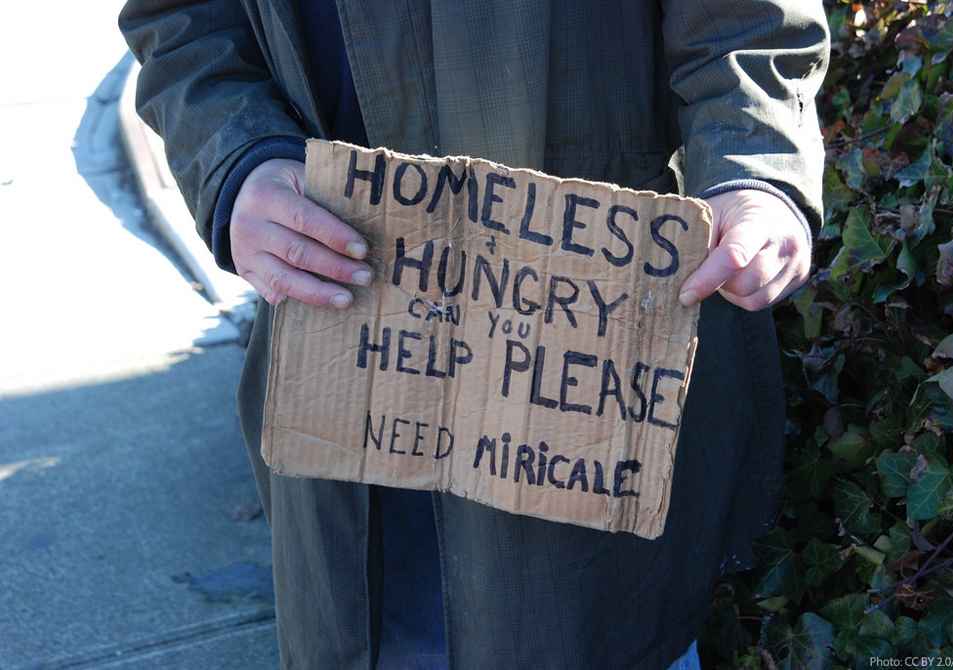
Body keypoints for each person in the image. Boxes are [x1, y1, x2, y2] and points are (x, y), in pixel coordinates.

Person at [120, 2, 829, 668]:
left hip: (585, 415)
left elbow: (746, 25)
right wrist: (237, 161)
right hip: (339, 429)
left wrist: (755, 171)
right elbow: (181, 22)